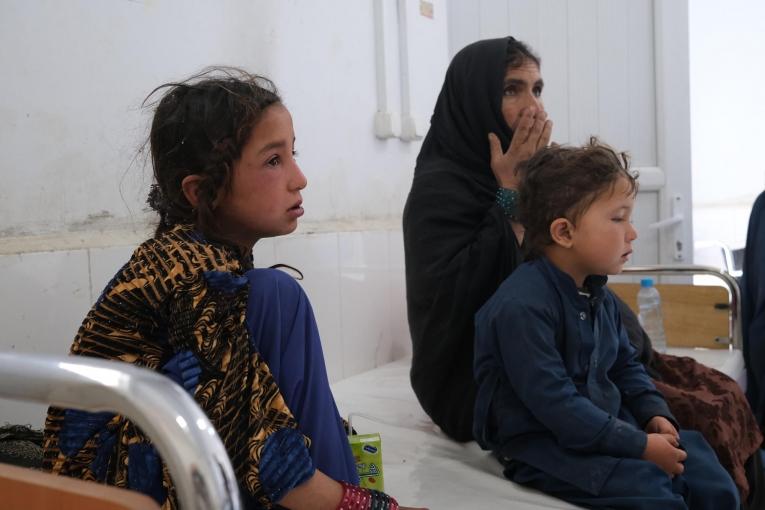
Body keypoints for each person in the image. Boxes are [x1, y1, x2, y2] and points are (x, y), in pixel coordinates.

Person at [402, 36, 762, 501]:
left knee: (712, 409)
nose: (533, 106)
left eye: (538, 88)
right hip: (472, 383)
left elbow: (565, 275)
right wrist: (510, 195)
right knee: (655, 476)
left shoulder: (540, 183)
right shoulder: (441, 190)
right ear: (476, 100)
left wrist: (650, 410)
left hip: (559, 350)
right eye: (513, 89)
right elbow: (459, 301)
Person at [42, 68, 417, 510]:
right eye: (274, 161)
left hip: (127, 475)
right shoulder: (197, 277)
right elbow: (270, 464)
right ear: (202, 191)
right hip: (119, 488)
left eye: (293, 154)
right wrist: (374, 506)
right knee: (276, 295)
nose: (299, 178)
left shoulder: (194, 259)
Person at [473, 139, 739, 509]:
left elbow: (626, 365)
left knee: (707, 473)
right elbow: (556, 405)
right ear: (564, 233)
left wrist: (653, 413)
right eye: (618, 218)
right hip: (544, 444)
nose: (633, 233)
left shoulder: (597, 293)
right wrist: (640, 447)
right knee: (654, 492)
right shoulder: (522, 307)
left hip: (604, 426)